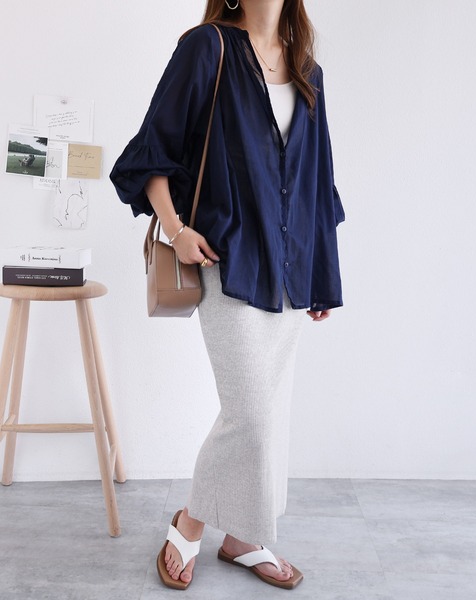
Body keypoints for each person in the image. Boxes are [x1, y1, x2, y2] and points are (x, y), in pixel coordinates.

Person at [110, 0, 344, 591]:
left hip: (290, 268)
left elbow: (317, 182)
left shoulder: (307, 69)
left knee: (272, 414)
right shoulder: (206, 47)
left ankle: (244, 535)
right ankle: (190, 522)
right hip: (228, 258)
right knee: (251, 413)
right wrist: (176, 229)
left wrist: (321, 273)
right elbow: (154, 147)